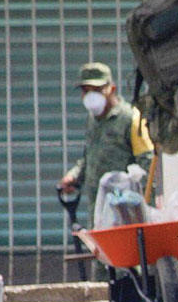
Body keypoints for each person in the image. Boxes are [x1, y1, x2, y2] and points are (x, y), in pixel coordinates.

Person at [58, 62, 155, 225]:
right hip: (97, 210)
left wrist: (143, 210)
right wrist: (75, 176)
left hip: (124, 212)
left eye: (96, 90)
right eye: (85, 91)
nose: (90, 96)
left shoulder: (131, 118)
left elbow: (147, 164)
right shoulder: (92, 120)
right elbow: (90, 156)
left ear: (112, 89)